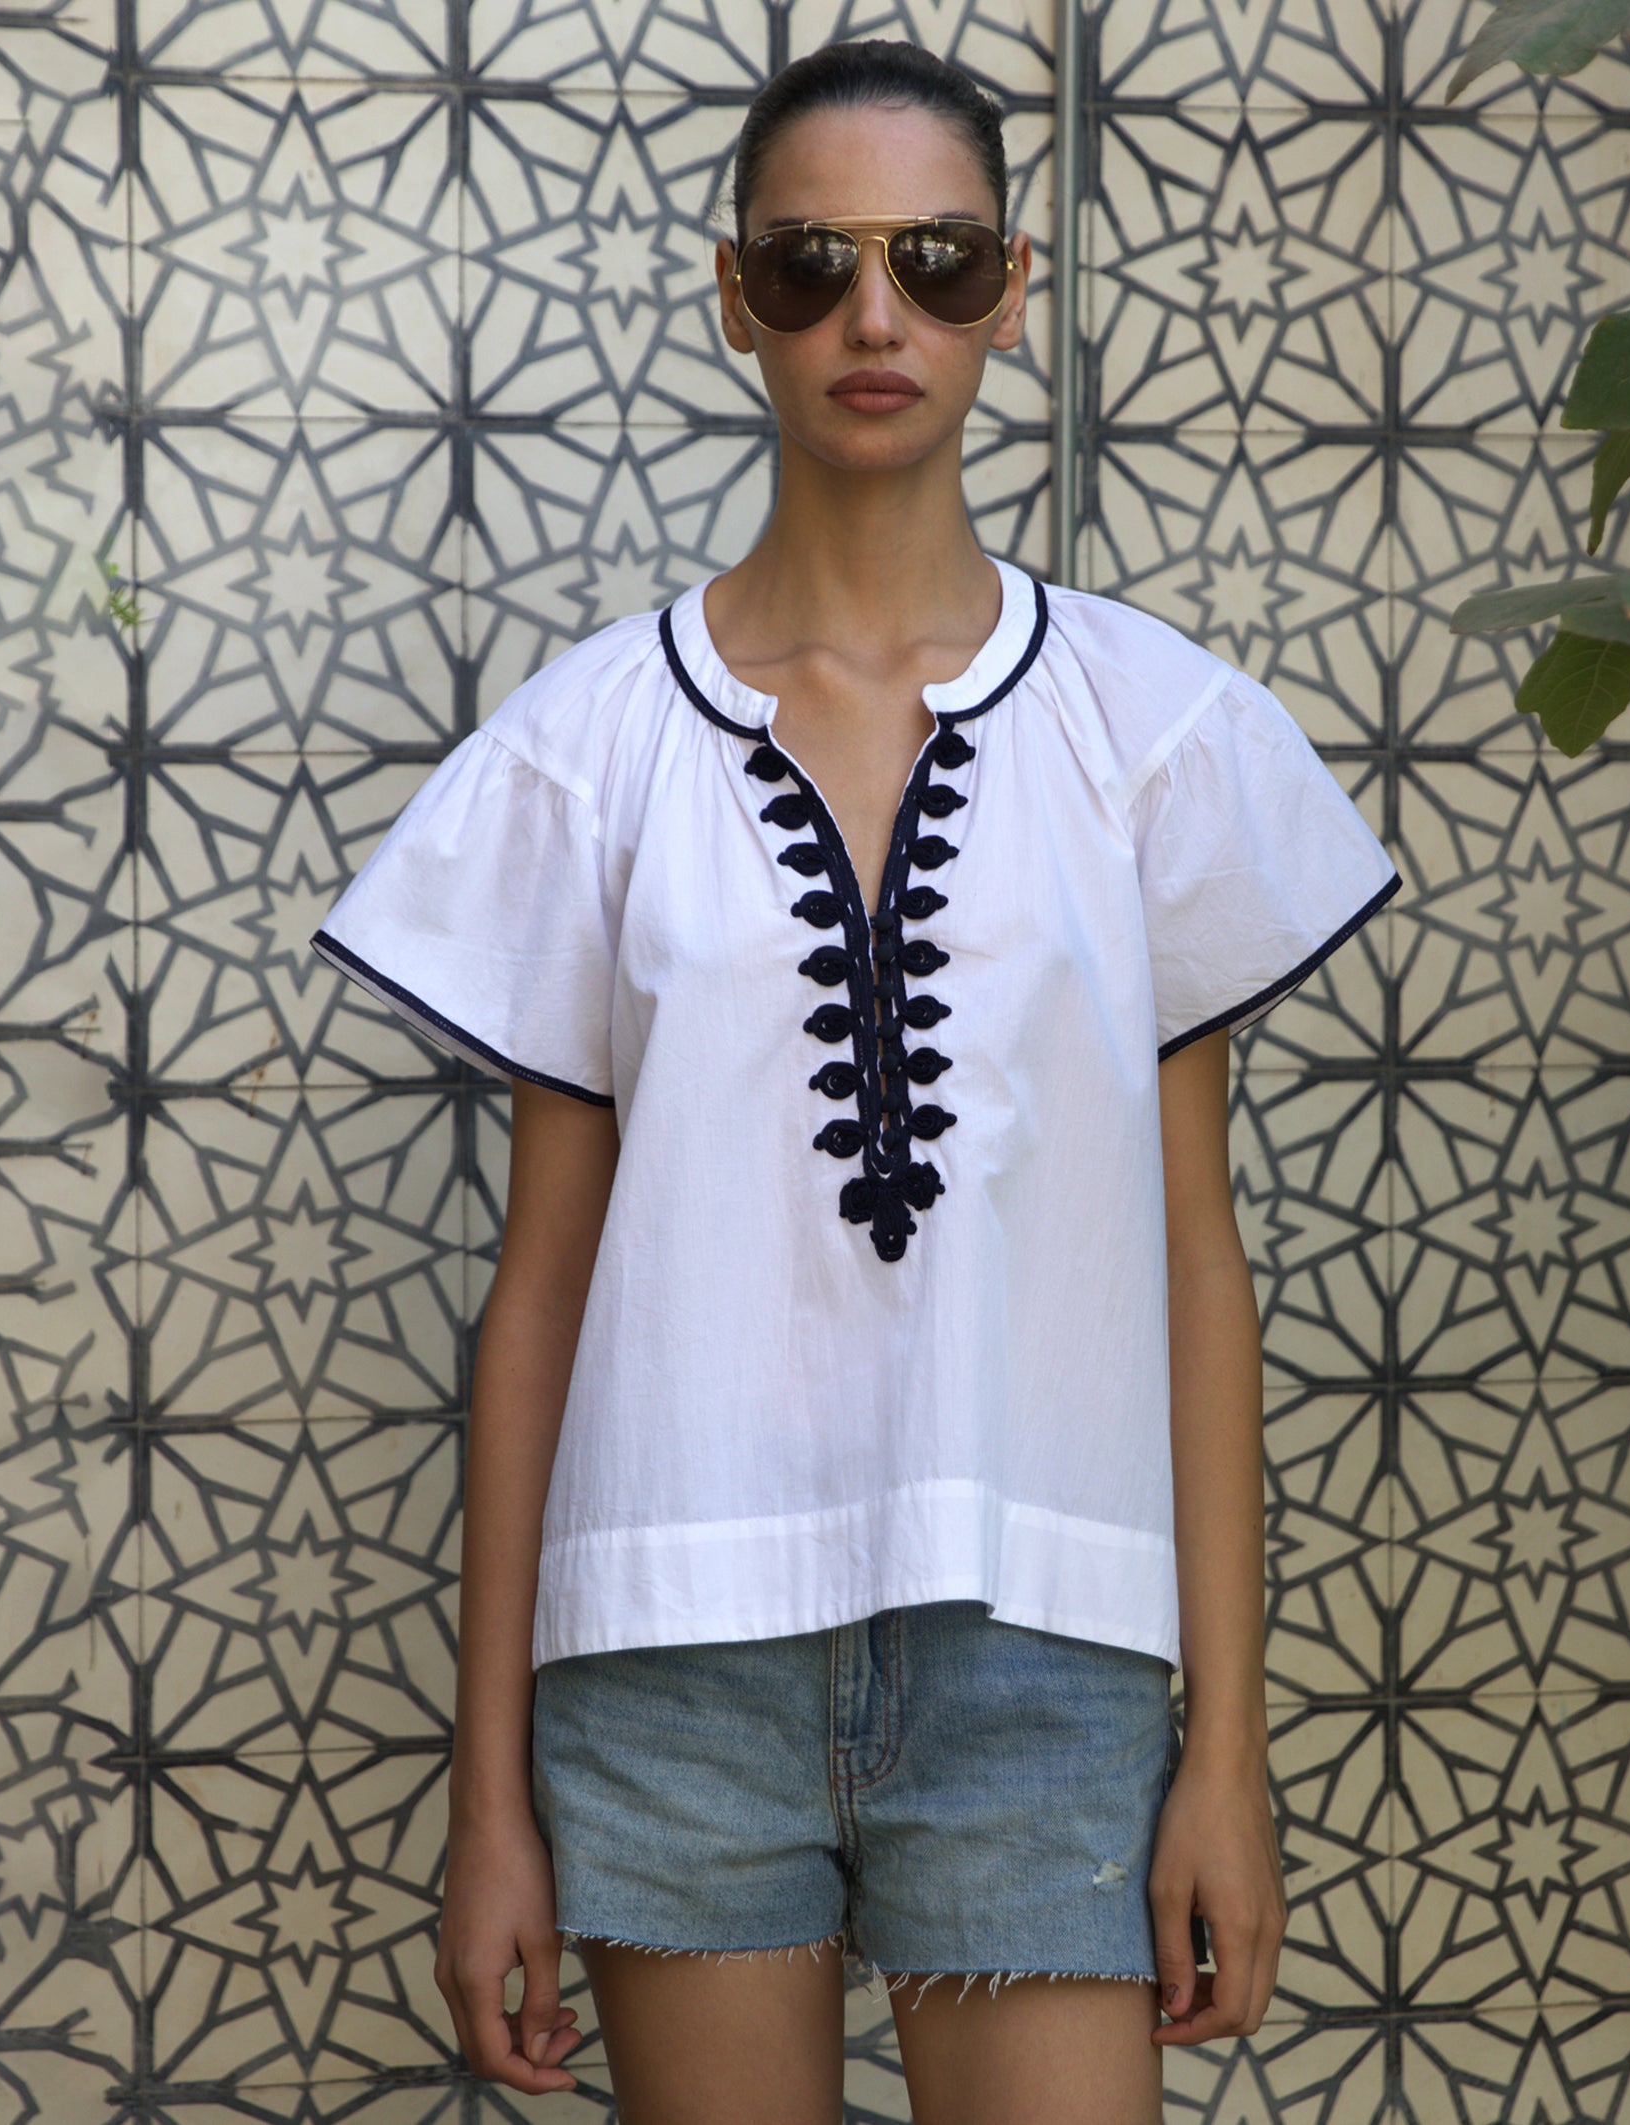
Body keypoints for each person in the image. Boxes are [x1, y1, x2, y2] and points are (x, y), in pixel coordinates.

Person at [311, 37, 1398, 2125]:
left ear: (1012, 291)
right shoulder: (587, 755)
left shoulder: (1155, 735)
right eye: (812, 264)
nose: (873, 318)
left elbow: (1198, 1260)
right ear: (736, 297)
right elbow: (538, 1293)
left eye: (937, 260)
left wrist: (1228, 1756)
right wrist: (489, 1798)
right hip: (669, 1653)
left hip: (1045, 1650)